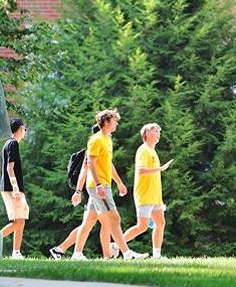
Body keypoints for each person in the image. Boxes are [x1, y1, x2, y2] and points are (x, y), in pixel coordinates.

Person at [71, 109, 149, 260]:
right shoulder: (96, 139)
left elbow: (109, 164)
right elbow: (90, 164)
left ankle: (77, 253)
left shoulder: (107, 139)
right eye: (114, 121)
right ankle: (126, 253)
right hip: (98, 186)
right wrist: (99, 185)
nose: (116, 124)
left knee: (89, 221)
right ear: (106, 122)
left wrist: (119, 182)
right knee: (114, 218)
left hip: (103, 184)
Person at [49, 125, 119, 260]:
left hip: (96, 190)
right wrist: (78, 192)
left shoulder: (103, 146)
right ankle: (104, 255)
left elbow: (110, 167)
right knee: (103, 222)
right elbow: (84, 172)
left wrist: (119, 182)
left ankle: (61, 249)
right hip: (94, 190)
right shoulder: (94, 148)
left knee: (90, 223)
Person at [123, 123, 173, 259]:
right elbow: (141, 170)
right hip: (144, 194)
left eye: (159, 131)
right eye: (156, 131)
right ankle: (117, 245)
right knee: (142, 226)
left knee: (160, 223)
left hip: (155, 196)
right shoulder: (143, 150)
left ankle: (157, 255)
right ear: (147, 134)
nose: (159, 134)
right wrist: (160, 169)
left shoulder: (152, 150)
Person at [0, 118, 29, 259]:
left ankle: (16, 252)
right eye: (25, 129)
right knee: (18, 221)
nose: (25, 132)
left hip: (11, 188)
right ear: (20, 129)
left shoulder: (9, 144)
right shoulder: (12, 144)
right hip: (12, 188)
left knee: (21, 220)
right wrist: (16, 188)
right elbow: (9, 168)